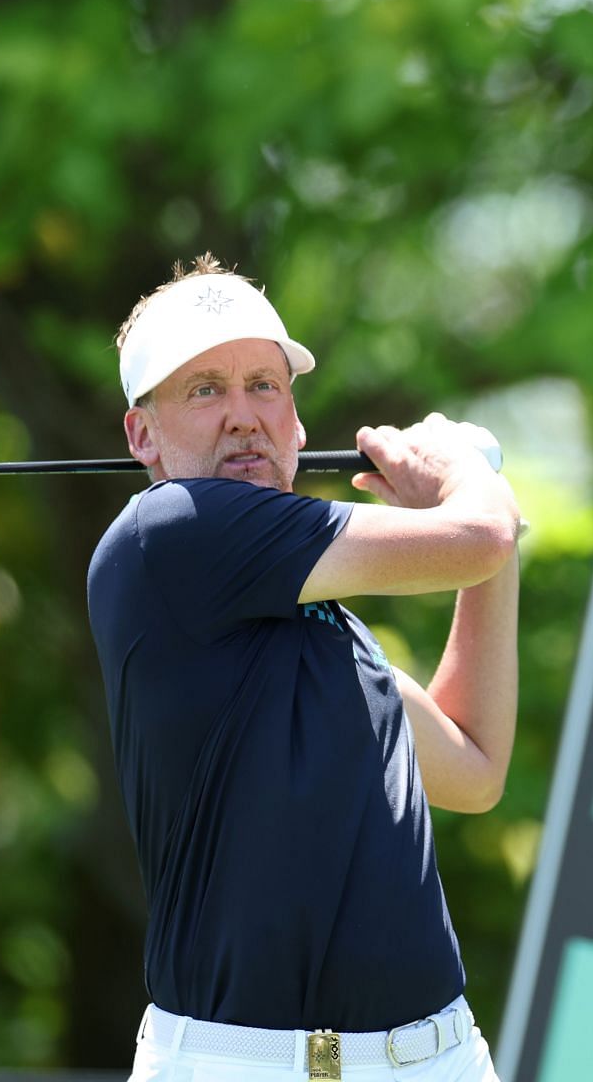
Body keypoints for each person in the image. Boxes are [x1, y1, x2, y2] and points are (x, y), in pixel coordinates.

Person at [87, 254, 522, 1082]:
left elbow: (471, 768)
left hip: (436, 1058)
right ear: (142, 434)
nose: (244, 415)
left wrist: (488, 536)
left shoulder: (328, 626)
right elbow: (479, 536)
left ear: (295, 422)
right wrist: (468, 477)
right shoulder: (173, 532)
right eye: (204, 390)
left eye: (265, 385)